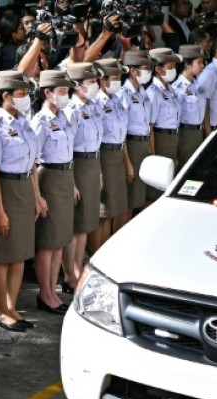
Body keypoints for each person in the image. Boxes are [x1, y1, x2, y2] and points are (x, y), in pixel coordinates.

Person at [0, 71, 41, 331]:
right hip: (5, 188)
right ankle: (0, 309)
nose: (26, 98)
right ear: (6, 96)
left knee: (19, 252)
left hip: (23, 187)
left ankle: (12, 305)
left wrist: (36, 196)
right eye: (21, 94)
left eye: (27, 93)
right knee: (2, 253)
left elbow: (32, 165)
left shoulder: (25, 123)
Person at [31, 70, 77, 314]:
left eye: (66, 91)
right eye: (61, 92)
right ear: (47, 93)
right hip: (48, 177)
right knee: (47, 241)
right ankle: (45, 292)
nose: (65, 96)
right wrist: (37, 195)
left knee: (60, 239)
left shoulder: (63, 118)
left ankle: (54, 289)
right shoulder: (40, 121)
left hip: (65, 176)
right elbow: (33, 161)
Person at [62, 63, 103, 295]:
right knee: (75, 223)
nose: (95, 86)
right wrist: (73, 182)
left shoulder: (93, 106)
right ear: (77, 86)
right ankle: (70, 273)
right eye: (90, 82)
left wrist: (97, 171)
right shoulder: (71, 110)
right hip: (76, 164)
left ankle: (78, 267)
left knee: (86, 222)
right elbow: (67, 148)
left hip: (91, 163)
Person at [90, 59, 129, 253]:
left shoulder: (116, 101)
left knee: (114, 209)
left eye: (119, 78)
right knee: (103, 212)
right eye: (114, 78)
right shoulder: (97, 102)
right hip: (104, 156)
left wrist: (126, 161)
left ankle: (107, 250)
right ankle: (97, 253)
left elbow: (121, 135)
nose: (118, 82)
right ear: (103, 80)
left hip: (117, 155)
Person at [120, 50, 154, 221]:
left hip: (143, 145)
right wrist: (128, 163)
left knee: (139, 196)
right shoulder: (123, 94)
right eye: (145, 68)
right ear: (133, 71)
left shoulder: (143, 92)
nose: (149, 72)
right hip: (131, 146)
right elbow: (122, 132)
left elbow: (147, 125)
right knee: (128, 199)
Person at [147, 48, 182, 202]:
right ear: (158, 69)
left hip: (173, 139)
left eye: (174, 67)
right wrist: (153, 154)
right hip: (160, 139)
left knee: (168, 186)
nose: (173, 70)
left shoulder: (170, 89)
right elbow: (150, 127)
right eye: (169, 67)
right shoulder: (153, 92)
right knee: (156, 190)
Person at [173, 44, 207, 168]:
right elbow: (175, 119)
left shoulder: (197, 86)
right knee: (185, 169)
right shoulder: (178, 89)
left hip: (199, 132)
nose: (203, 66)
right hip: (185, 134)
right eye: (199, 62)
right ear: (187, 64)